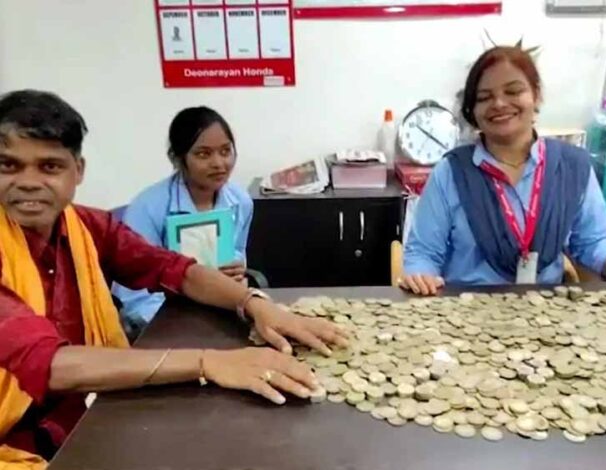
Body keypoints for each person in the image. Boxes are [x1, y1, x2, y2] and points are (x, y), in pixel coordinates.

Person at [0, 90, 348, 466]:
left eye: (50, 166)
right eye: (8, 165)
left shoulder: (87, 225)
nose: (29, 182)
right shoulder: (147, 204)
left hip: (85, 415)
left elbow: (174, 269)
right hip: (16, 438)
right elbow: (49, 364)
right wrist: (208, 362)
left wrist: (255, 304)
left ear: (78, 170)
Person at [401, 46, 606, 295]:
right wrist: (421, 278)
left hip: (546, 315)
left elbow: (592, 243)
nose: (499, 103)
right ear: (472, 111)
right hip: (464, 315)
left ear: (536, 96)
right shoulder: (451, 172)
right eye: (484, 98)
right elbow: (422, 252)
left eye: (513, 91)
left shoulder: (572, 167)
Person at [112, 107, 253, 333]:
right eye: (203, 154)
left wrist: (237, 276)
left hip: (221, 310)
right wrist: (180, 326)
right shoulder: (147, 208)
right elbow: (135, 298)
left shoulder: (241, 201)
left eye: (225, 151)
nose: (219, 163)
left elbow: (238, 257)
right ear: (177, 158)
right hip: (163, 319)